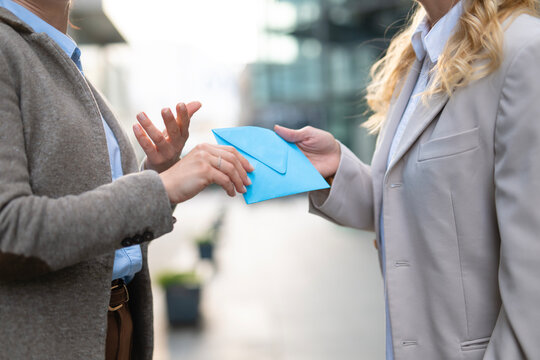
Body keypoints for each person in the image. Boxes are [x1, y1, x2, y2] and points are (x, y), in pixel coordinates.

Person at [275, 0, 540, 358]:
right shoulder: (421, 53)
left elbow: (533, 289)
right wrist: (336, 167)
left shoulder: (524, 50)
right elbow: (420, 205)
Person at [0, 0, 252, 359]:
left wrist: (156, 174)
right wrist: (158, 189)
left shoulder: (59, 57)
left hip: (116, 328)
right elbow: (8, 229)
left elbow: (89, 206)